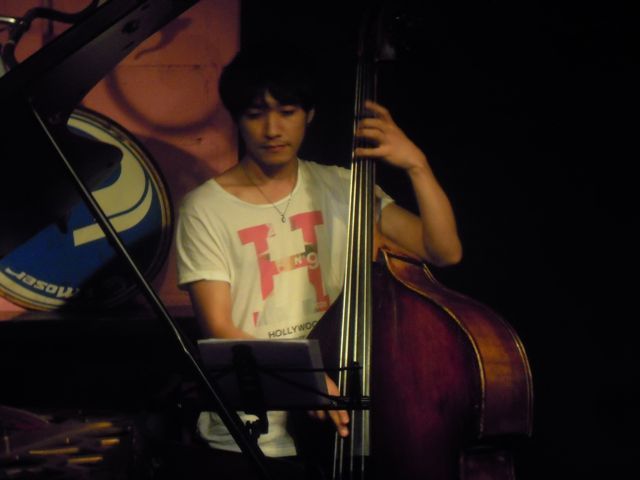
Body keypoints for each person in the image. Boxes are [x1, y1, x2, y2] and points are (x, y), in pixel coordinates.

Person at [175, 43, 462, 479]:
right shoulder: (205, 208)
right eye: (255, 114)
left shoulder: (344, 187)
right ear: (236, 119)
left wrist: (417, 165)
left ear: (309, 115)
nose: (272, 129)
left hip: (339, 422)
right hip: (251, 434)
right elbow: (219, 327)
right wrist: (309, 381)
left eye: (287, 111)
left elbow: (443, 251)